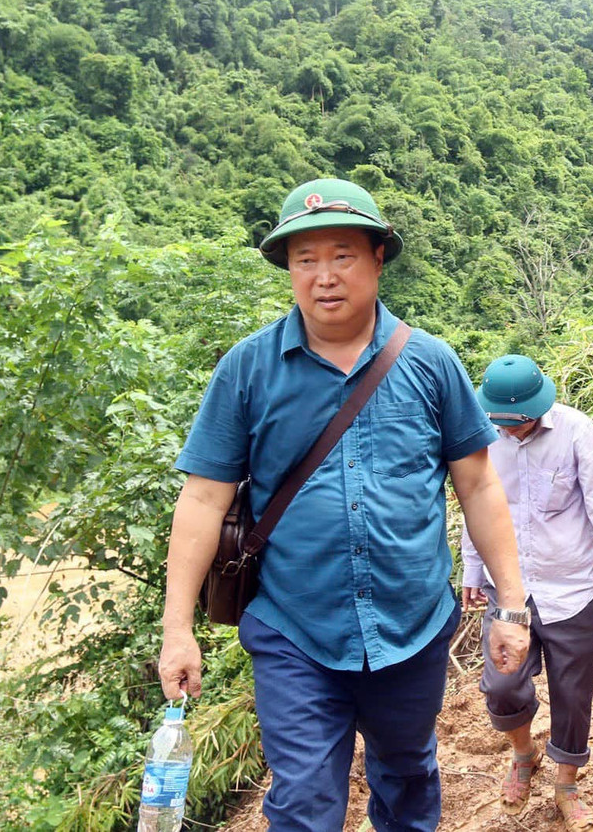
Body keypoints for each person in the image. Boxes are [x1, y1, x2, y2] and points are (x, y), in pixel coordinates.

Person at [157, 178, 530, 832]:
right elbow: (202, 500)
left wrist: (511, 605)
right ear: (288, 268)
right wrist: (176, 628)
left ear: (378, 258)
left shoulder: (431, 363)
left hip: (411, 627)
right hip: (294, 630)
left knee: (407, 781)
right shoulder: (247, 370)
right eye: (305, 259)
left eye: (342, 255)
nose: (324, 275)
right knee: (303, 803)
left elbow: (478, 486)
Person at [461, 355, 593, 830]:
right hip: (509, 589)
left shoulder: (575, 430)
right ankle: (524, 754)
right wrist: (473, 567)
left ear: (538, 409)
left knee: (572, 694)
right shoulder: (481, 435)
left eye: (517, 422)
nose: (509, 431)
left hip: (571, 584)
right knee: (502, 685)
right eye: (502, 423)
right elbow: (474, 500)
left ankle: (566, 786)